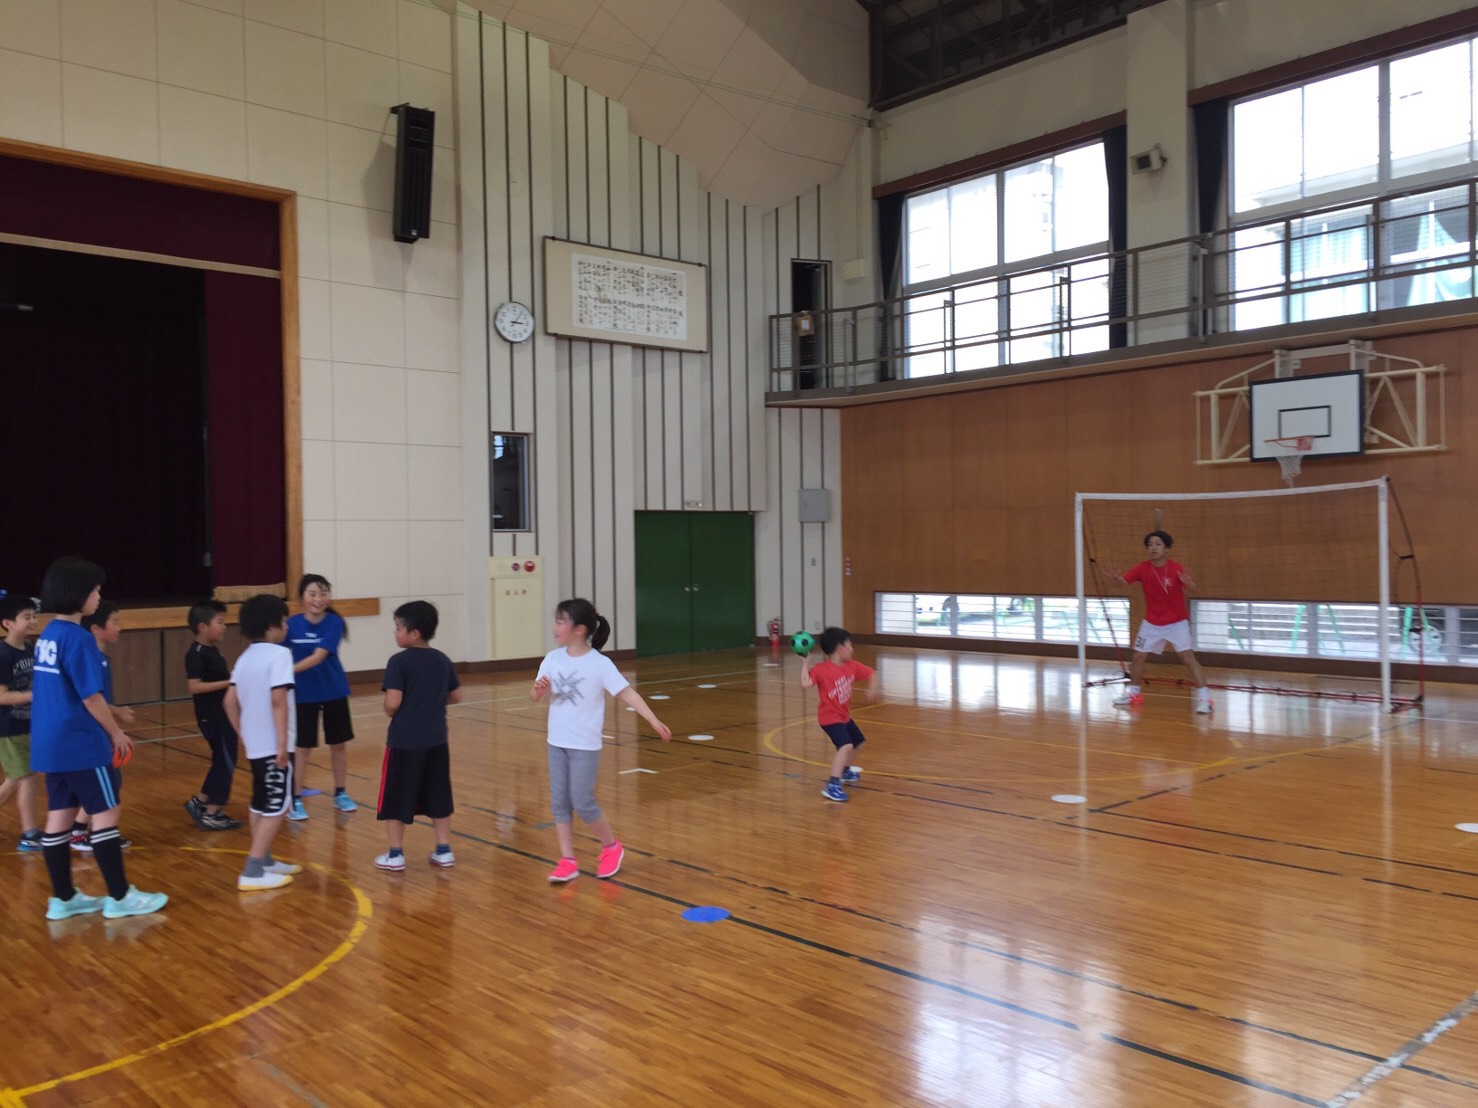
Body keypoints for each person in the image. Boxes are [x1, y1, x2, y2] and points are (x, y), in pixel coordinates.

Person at [31, 557, 167, 920]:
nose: (98, 596)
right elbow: (91, 697)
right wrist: (115, 731)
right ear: (78, 594)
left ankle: (62, 898)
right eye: (95, 590)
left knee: (58, 817)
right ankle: (120, 897)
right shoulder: (79, 639)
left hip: (50, 744)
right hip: (81, 743)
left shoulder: (48, 635)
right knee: (105, 813)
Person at [530, 598, 671, 882]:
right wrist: (539, 690)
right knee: (560, 802)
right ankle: (567, 860)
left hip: (584, 744)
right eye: (556, 621)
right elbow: (535, 695)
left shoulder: (600, 664)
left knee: (582, 801)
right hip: (556, 741)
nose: (555, 627)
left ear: (580, 629)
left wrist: (653, 720)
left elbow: (627, 693)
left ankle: (611, 846)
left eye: (561, 621)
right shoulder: (552, 659)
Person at [374, 601, 462, 871]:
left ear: (413, 633)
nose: (395, 632)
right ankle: (444, 850)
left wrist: (390, 709)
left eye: (399, 627)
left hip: (404, 742)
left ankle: (396, 854)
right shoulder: (441, 659)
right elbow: (456, 695)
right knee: (438, 793)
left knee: (396, 795)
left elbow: (393, 702)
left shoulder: (398, 662)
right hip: (436, 740)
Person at [223, 594, 302, 892]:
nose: (286, 627)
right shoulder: (279, 655)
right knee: (276, 806)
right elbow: (278, 700)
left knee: (260, 802)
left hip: (257, 746)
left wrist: (243, 733)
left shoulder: (245, 657)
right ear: (273, 625)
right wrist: (282, 745)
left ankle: (265, 859)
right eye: (284, 621)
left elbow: (229, 700)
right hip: (274, 747)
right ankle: (253, 870)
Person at [1102, 529, 1213, 714]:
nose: (1153, 548)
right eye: (1150, 545)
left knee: (1188, 659)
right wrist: (1115, 579)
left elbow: (1192, 588)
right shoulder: (1142, 568)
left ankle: (1206, 700)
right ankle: (1134, 695)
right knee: (1138, 656)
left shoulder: (1177, 568)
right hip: (1152, 623)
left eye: (1158, 544)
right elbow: (1122, 583)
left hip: (1177, 623)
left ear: (1167, 549)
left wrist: (1189, 583)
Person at [286, 574, 356, 819]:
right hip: (303, 694)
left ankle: (341, 793)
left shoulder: (334, 622)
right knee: (302, 747)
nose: (318, 599)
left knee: (338, 744)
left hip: (333, 690)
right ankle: (295, 799)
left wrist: (287, 672)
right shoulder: (290, 624)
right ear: (302, 597)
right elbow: (280, 654)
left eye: (324, 593)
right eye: (313, 593)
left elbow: (318, 656)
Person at [72, 600, 136, 853]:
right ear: (97, 629)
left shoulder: (102, 659)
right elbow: (90, 699)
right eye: (115, 622)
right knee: (106, 785)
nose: (119, 627)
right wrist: (116, 719)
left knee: (108, 782)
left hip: (99, 733)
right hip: (91, 736)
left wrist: (115, 712)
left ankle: (84, 830)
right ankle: (85, 832)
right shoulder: (92, 659)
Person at [182, 599, 243, 831]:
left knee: (221, 760)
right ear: (202, 627)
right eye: (220, 622)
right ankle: (212, 812)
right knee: (226, 762)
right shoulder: (196, 654)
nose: (224, 626)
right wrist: (230, 682)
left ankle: (200, 802)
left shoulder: (211, 650)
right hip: (214, 717)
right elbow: (194, 687)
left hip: (222, 714)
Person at [800, 626, 879, 803]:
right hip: (829, 717)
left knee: (858, 743)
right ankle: (832, 785)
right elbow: (805, 683)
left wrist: (872, 688)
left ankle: (844, 771)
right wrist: (805, 663)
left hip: (844, 716)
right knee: (846, 746)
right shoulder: (821, 669)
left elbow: (872, 673)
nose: (852, 649)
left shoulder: (851, 666)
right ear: (840, 648)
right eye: (850, 645)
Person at [0, 593, 41, 852]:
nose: (33, 621)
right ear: (8, 623)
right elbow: (1, 696)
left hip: (28, 725)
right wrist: (34, 695)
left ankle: (30, 832)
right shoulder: (3, 655)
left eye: (34, 616)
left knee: (17, 779)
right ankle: (29, 834)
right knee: (26, 777)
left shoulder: (30, 649)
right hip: (8, 727)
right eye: (26, 617)